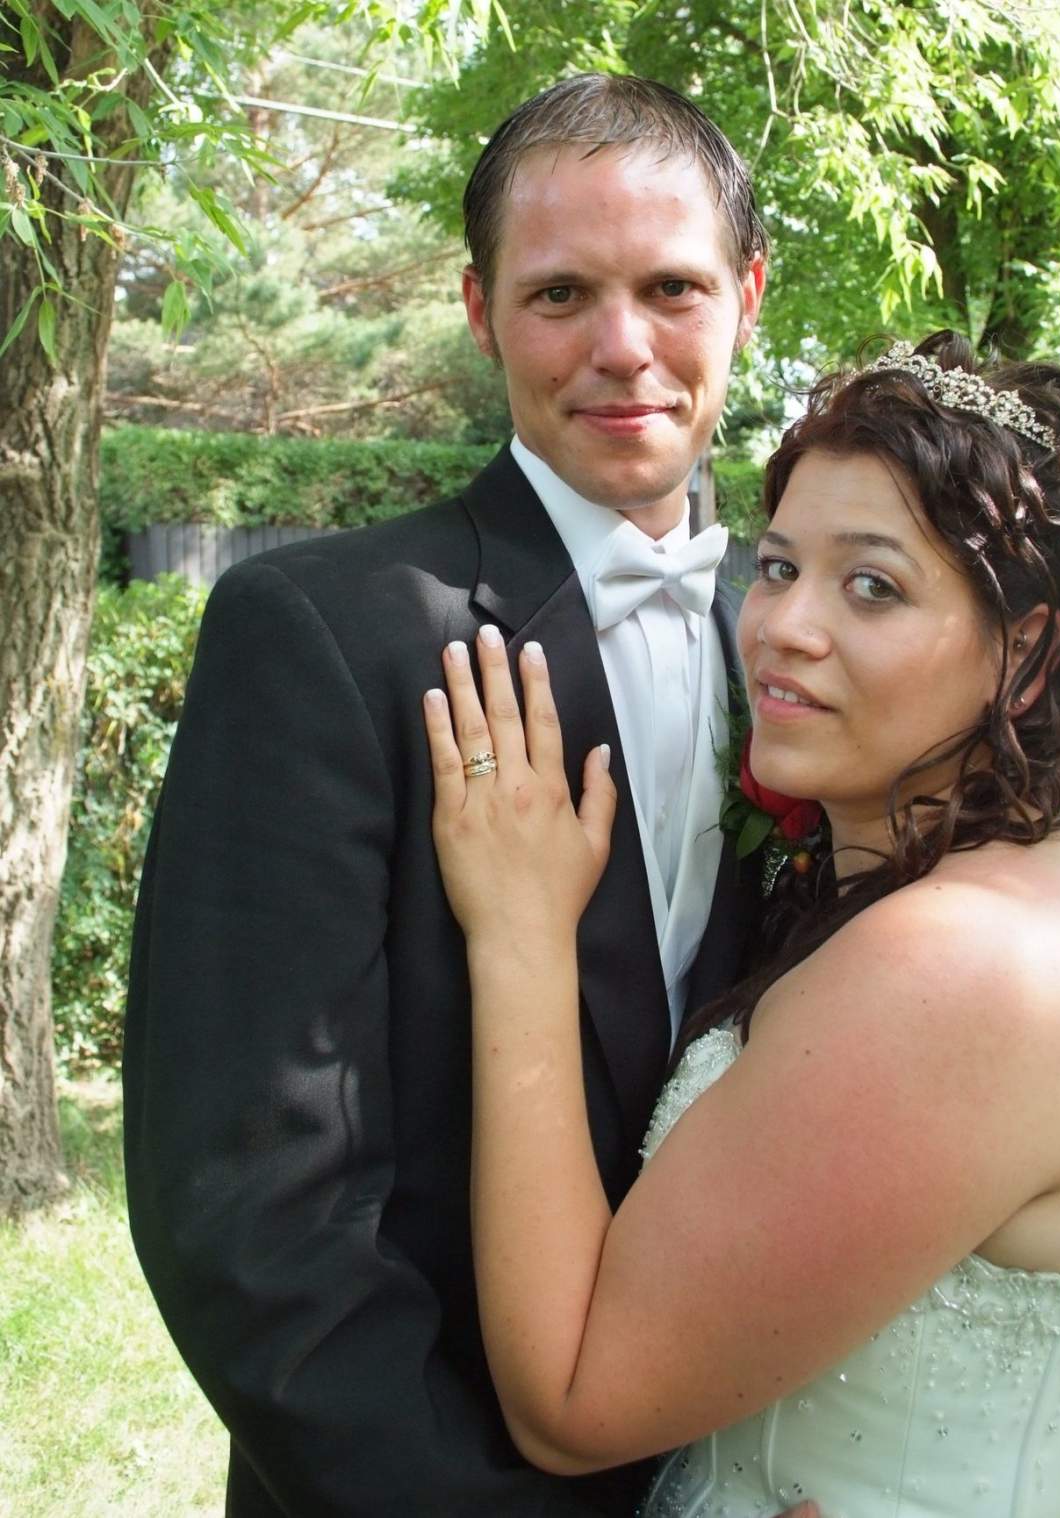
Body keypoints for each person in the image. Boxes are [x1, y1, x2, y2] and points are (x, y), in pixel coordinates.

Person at [122, 75, 772, 1516]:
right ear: (480, 310)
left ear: (747, 293)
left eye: (671, 286)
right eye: (559, 295)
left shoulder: (797, 653)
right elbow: (251, 1219)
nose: (623, 348)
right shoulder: (319, 634)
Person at [422, 331, 1060, 1518]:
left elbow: (574, 1400)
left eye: (873, 585)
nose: (784, 625)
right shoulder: (1005, 893)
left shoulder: (961, 964)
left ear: (1026, 656)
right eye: (779, 568)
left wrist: (523, 936)